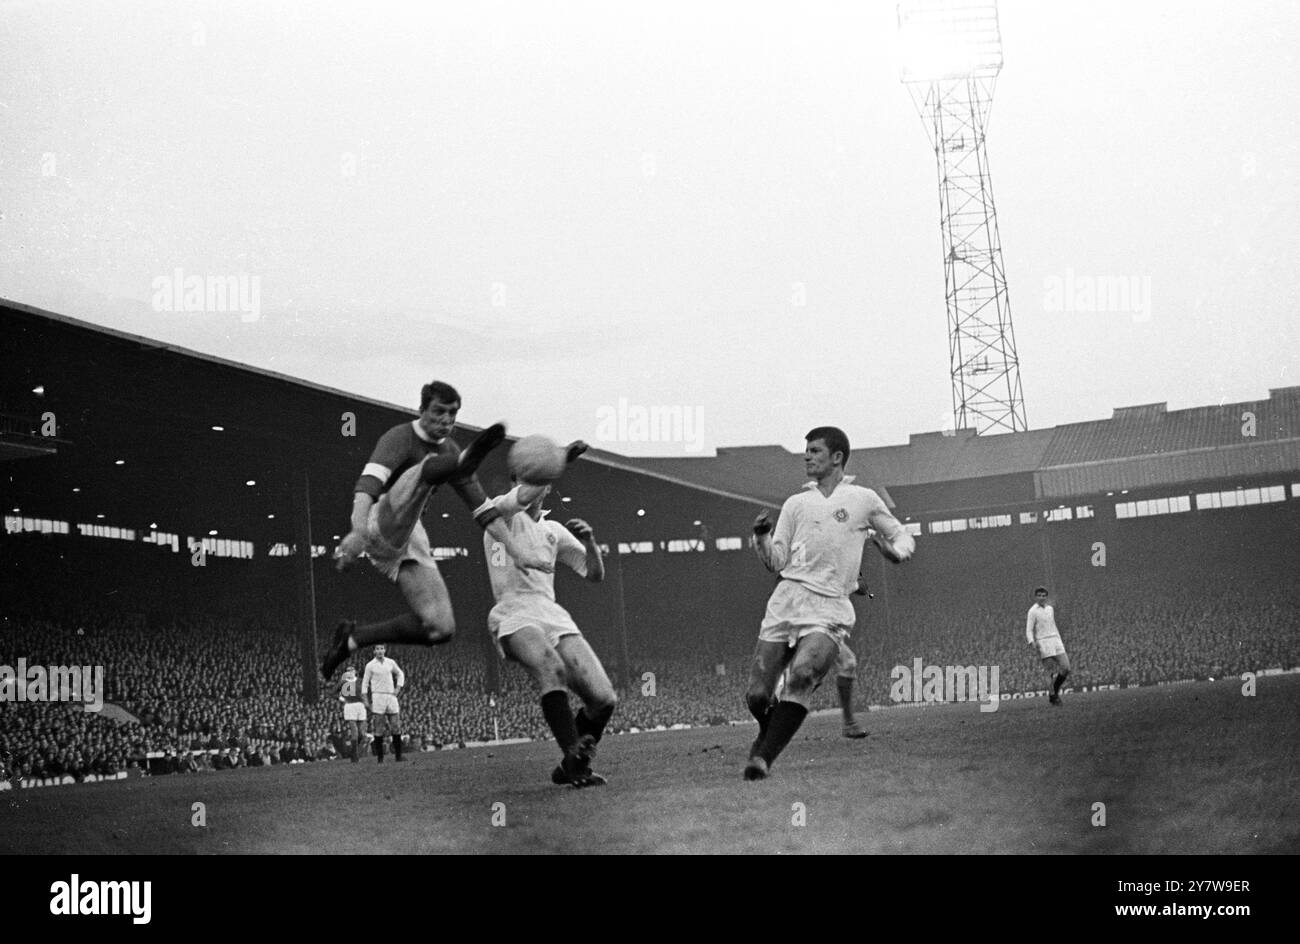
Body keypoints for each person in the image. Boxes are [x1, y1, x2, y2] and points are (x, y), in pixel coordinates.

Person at [322, 380, 554, 679]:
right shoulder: (399, 438)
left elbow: (485, 511)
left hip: (409, 534)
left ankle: (352, 638)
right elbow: (367, 487)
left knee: (440, 628)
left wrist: (517, 551)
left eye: (453, 414)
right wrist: (357, 532)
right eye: (439, 412)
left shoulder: (450, 448)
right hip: (377, 518)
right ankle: (455, 465)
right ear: (421, 410)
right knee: (428, 469)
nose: (446, 420)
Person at [745, 426, 914, 781]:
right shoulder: (795, 504)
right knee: (757, 696)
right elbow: (776, 561)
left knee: (804, 674)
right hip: (787, 600)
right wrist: (761, 538)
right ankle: (767, 728)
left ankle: (762, 759)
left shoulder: (863, 499)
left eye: (815, 451)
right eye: (806, 450)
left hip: (830, 606)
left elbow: (899, 533)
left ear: (837, 457)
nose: (807, 456)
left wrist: (896, 553)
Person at [481, 453, 617, 788]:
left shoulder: (553, 529)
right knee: (552, 669)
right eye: (524, 480)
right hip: (513, 612)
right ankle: (575, 760)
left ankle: (567, 766)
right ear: (516, 484)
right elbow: (517, 499)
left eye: (538, 479)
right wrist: (560, 460)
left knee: (603, 699)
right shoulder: (503, 514)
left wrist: (590, 543)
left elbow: (594, 574)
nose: (529, 488)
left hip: (551, 613)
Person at [773, 573, 872, 738]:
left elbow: (863, 588)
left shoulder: (843, 556)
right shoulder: (804, 555)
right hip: (802, 620)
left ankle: (778, 709)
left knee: (843, 665)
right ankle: (848, 724)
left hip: (823, 622)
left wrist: (847, 581)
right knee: (841, 665)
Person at [1026, 587, 1071, 705]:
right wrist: (1032, 642)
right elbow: (1029, 629)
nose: (1041, 597)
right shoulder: (1032, 611)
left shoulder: (1050, 609)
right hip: (1043, 642)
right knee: (1049, 671)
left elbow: (1053, 624)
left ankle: (1055, 690)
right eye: (1039, 595)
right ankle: (1053, 696)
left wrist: (1058, 637)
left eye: (1043, 595)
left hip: (1056, 640)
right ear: (1035, 597)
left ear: (1046, 597)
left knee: (1066, 668)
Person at [362, 645, 405, 762]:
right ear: (374, 651)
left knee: (396, 726)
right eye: (377, 649)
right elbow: (365, 683)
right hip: (378, 696)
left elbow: (400, 674)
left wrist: (398, 688)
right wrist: (365, 699)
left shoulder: (390, 662)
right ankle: (380, 758)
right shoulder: (370, 665)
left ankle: (398, 756)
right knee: (379, 727)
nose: (380, 651)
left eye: (382, 648)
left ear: (385, 650)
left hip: (391, 695)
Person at [338, 666, 367, 762]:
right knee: (354, 731)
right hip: (350, 708)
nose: (350, 672)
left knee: (361, 734)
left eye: (351, 671)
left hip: (360, 707)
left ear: (355, 672)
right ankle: (354, 756)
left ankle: (352, 751)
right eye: (348, 671)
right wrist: (345, 700)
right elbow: (339, 696)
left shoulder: (360, 681)